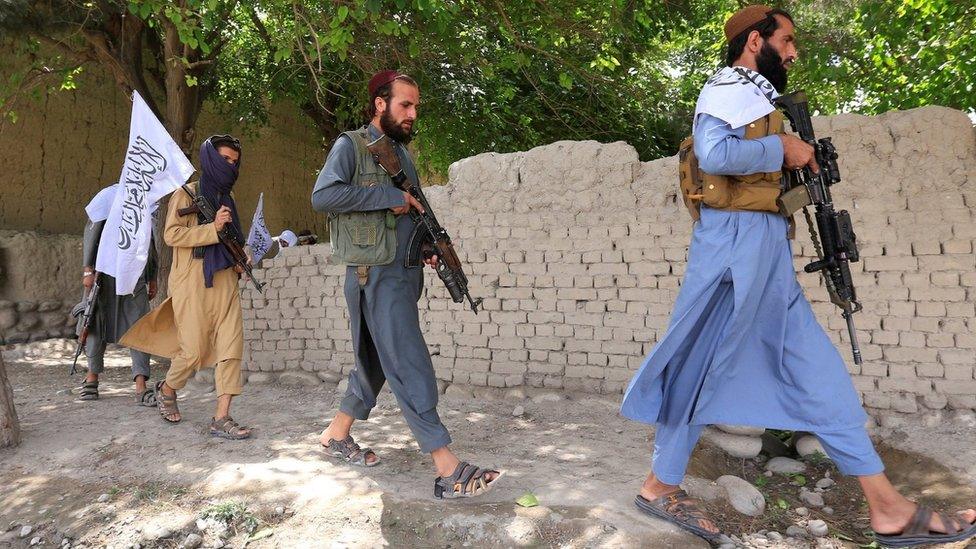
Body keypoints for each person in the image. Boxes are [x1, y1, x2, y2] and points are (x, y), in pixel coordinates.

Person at [620, 6, 976, 547]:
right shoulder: (724, 87)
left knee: (818, 373)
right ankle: (658, 486)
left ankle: (886, 507)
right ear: (753, 40)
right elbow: (715, 154)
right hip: (734, 253)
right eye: (786, 40)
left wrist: (794, 163)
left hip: (764, 249)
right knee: (699, 370)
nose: (792, 52)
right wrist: (782, 148)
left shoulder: (756, 94)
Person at [311, 70, 502, 499]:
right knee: (409, 360)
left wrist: (426, 248)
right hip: (374, 275)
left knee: (376, 361)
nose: (413, 113)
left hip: (400, 273)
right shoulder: (352, 146)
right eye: (405, 105)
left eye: (416, 106)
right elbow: (323, 197)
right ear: (380, 104)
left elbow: (411, 213)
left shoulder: (399, 153)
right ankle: (446, 465)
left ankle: (336, 434)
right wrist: (389, 198)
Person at [121, 135, 253, 440]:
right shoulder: (186, 194)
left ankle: (222, 417)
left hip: (224, 281)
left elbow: (233, 239)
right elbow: (172, 236)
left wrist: (241, 257)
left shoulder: (227, 199)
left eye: (234, 161)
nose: (230, 166)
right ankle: (167, 388)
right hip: (192, 282)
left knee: (231, 348)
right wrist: (212, 228)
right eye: (225, 160)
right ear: (210, 160)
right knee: (193, 351)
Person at [75, 185, 158, 404]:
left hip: (134, 274)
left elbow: (149, 240)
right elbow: (92, 232)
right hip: (104, 273)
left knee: (140, 326)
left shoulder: (146, 199)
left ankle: (141, 385)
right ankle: (91, 378)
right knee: (93, 322)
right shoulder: (108, 196)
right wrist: (88, 270)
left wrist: (152, 276)